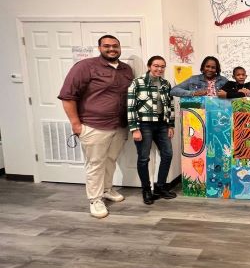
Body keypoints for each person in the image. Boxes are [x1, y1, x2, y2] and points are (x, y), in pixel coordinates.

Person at [58, 35, 134, 219]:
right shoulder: (85, 67)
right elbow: (68, 96)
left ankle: (107, 189)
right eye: (107, 46)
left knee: (111, 160)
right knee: (95, 164)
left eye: (115, 46)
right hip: (94, 125)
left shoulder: (126, 69)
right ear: (99, 48)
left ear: (120, 47)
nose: (111, 49)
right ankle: (95, 199)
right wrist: (76, 124)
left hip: (120, 124)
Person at [127, 56, 176, 205]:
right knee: (144, 158)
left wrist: (171, 125)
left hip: (162, 124)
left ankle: (160, 187)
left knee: (167, 154)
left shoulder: (166, 84)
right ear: (149, 66)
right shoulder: (137, 83)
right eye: (156, 66)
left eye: (162, 66)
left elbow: (171, 106)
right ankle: (146, 190)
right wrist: (134, 129)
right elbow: (130, 107)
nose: (159, 69)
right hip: (144, 125)